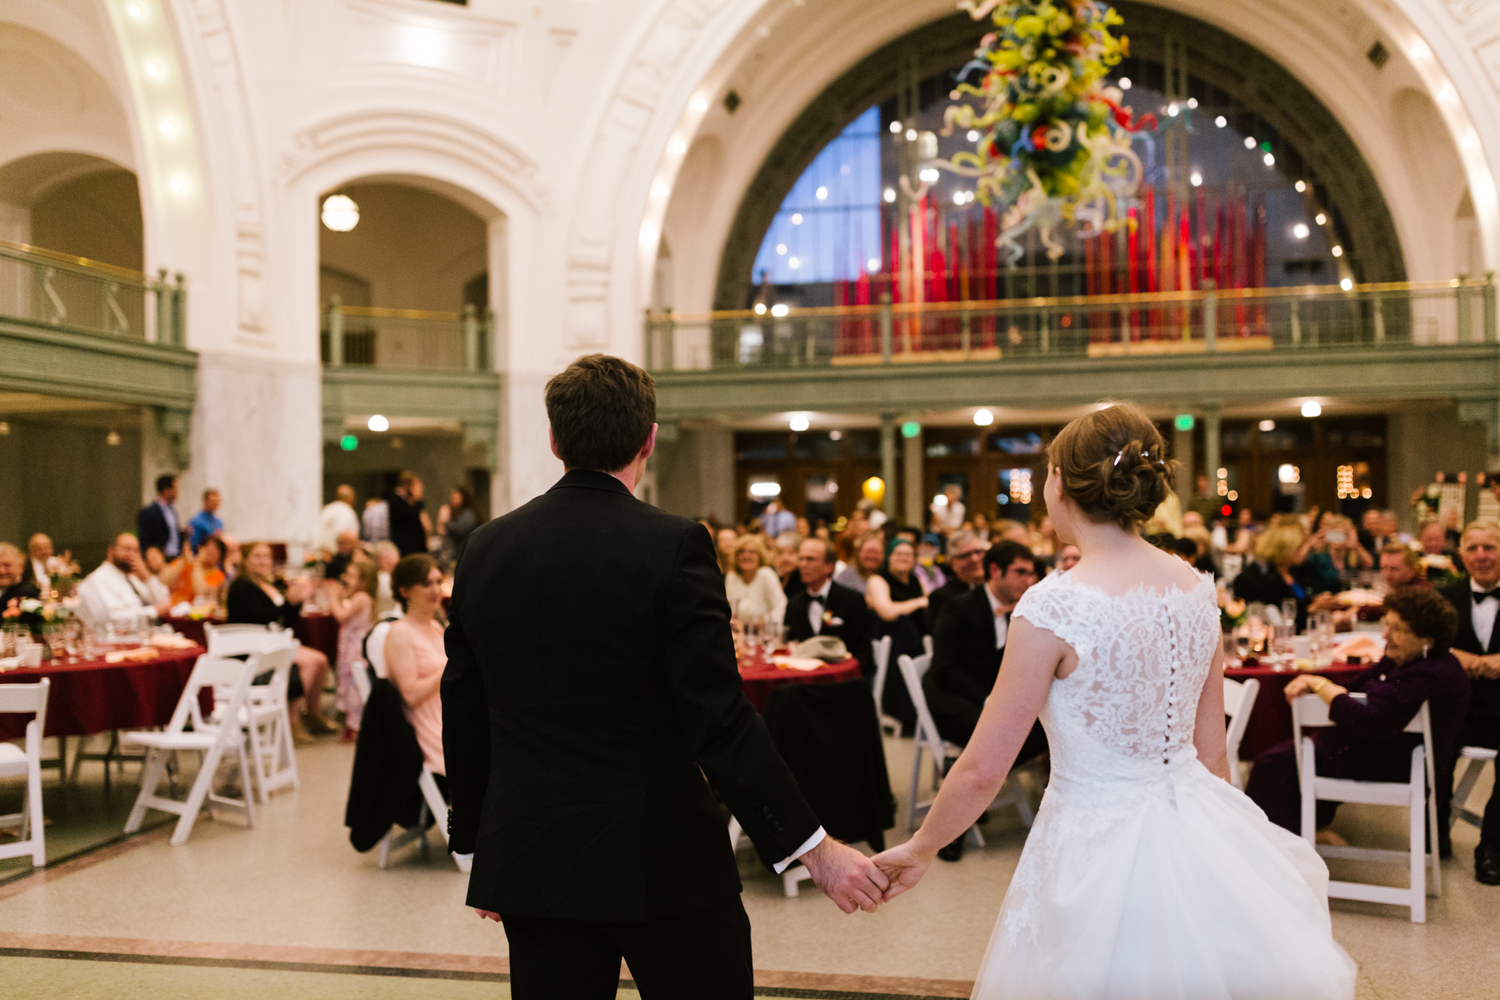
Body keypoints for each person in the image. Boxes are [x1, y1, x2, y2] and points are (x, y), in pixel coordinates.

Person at [869, 401, 1355, 1000]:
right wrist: (1226, 852)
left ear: (1063, 487)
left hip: (1094, 842)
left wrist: (922, 847)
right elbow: (1212, 753)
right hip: (1197, 821)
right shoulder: (1195, 589)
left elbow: (981, 769)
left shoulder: (1052, 608)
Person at [442, 355, 887, 998]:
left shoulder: (486, 546)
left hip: (534, 854)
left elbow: (464, 701)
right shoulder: (674, 544)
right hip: (661, 855)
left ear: (555, 440)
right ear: (649, 439)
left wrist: (481, 845)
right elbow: (719, 719)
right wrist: (814, 848)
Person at [1245, 588, 1469, 857]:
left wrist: (1319, 684)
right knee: (1285, 758)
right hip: (1383, 752)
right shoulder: (1403, 660)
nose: (1385, 635)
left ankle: (1268, 849)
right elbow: (1354, 687)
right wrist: (1324, 688)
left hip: (1396, 764)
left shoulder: (1430, 673)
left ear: (1427, 640)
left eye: (1397, 629)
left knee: (1272, 765)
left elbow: (1373, 722)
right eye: (1387, 625)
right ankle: (1293, 835)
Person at [922, 540, 1044, 862]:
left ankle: (963, 780)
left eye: (1031, 573)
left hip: (994, 701)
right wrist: (991, 700)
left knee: (1046, 729)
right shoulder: (958, 607)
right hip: (953, 698)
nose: (1028, 581)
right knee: (1001, 734)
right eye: (1020, 572)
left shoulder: (1027, 611)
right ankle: (951, 828)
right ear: (995, 571)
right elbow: (945, 670)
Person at [1439, 520, 1500, 884]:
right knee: (1433, 747)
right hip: (1458, 704)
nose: (1482, 556)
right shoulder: (1445, 595)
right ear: (1461, 555)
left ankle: (1492, 846)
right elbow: (1427, 645)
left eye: (1489, 547)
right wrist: (1461, 657)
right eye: (1473, 548)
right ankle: (1435, 836)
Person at [225, 541, 333, 741]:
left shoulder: (269, 584)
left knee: (321, 660)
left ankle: (312, 714)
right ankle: (292, 721)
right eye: (257, 556)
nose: (263, 561)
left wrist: (295, 603)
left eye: (266, 556)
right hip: (253, 648)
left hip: (273, 642)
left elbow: (283, 619)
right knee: (309, 663)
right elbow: (260, 618)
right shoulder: (241, 587)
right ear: (246, 560)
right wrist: (288, 603)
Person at [785, 537, 875, 679]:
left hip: (842, 682)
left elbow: (864, 656)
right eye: (801, 559)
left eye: (810, 559)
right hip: (803, 682)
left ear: (829, 567)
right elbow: (789, 646)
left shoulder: (852, 600)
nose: (803, 564)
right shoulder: (794, 604)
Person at [866, 537, 929, 732]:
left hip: (916, 639)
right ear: (889, 557)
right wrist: (918, 603)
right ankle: (902, 712)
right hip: (890, 641)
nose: (903, 558)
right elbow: (887, 611)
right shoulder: (878, 579)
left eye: (908, 554)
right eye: (898, 554)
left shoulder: (916, 580)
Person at [1232, 519, 1319, 631]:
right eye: (1298, 548)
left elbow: (1302, 601)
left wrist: (1315, 602)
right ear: (1285, 550)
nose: (1304, 551)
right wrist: (1312, 610)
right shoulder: (1264, 578)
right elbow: (1278, 617)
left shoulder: (1293, 572)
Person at [325, 557, 377, 740]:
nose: (347, 579)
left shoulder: (362, 597)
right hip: (348, 648)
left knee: (354, 686)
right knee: (348, 684)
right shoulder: (355, 596)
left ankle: (357, 725)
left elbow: (340, 616)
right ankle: (351, 723)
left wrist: (332, 596)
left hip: (356, 649)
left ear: (364, 580)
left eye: (353, 576)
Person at [77, 534, 170, 631]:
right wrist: (153, 611)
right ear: (110, 551)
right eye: (127, 549)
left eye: (135, 551)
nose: (132, 555)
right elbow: (111, 620)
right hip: (113, 642)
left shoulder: (130, 579)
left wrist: (147, 576)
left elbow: (163, 602)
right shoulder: (98, 580)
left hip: (142, 636)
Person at [927, 530, 986, 629]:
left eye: (978, 552)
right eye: (966, 555)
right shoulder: (942, 598)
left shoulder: (998, 590)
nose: (975, 559)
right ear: (952, 563)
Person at [724, 534, 786, 622]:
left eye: (752, 552)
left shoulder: (766, 574)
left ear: (760, 556)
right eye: (741, 552)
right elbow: (728, 610)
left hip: (763, 632)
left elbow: (781, 606)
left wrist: (764, 621)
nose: (746, 556)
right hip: (738, 633)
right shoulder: (731, 577)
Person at [161, 535, 227, 610]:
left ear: (220, 556)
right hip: (171, 609)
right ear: (200, 548)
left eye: (215, 550)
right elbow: (163, 581)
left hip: (196, 614)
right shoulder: (185, 563)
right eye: (208, 547)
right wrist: (183, 561)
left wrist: (197, 563)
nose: (210, 552)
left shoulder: (218, 576)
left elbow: (201, 593)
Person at [137, 473, 183, 560]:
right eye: (175, 487)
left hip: (175, 556)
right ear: (166, 490)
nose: (178, 491)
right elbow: (145, 540)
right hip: (159, 558)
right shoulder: (149, 512)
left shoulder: (173, 511)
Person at [388, 472, 430, 557]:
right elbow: (411, 515)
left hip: (415, 548)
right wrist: (418, 499)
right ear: (408, 486)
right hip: (407, 548)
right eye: (415, 486)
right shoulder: (396, 500)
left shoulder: (406, 502)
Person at [439, 485, 479, 567]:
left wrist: (445, 522)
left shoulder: (468, 514)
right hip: (456, 554)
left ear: (463, 498)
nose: (452, 499)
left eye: (455, 497)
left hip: (464, 554)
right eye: (452, 497)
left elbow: (460, 530)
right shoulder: (456, 514)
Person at [318, 485, 361, 552]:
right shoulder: (347, 511)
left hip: (322, 553)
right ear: (350, 498)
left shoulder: (327, 509)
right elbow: (343, 535)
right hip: (337, 556)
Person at [187, 489, 224, 554]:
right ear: (205, 501)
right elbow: (193, 544)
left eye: (217, 501)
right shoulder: (196, 521)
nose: (216, 503)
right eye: (213, 501)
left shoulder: (218, 521)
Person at [372, 540, 401, 615]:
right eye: (395, 555)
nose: (399, 561)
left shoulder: (377, 577)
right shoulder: (384, 579)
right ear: (384, 559)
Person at [772, 532, 803, 600]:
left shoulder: (802, 581)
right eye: (780, 552)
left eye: (791, 552)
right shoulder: (776, 578)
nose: (785, 558)